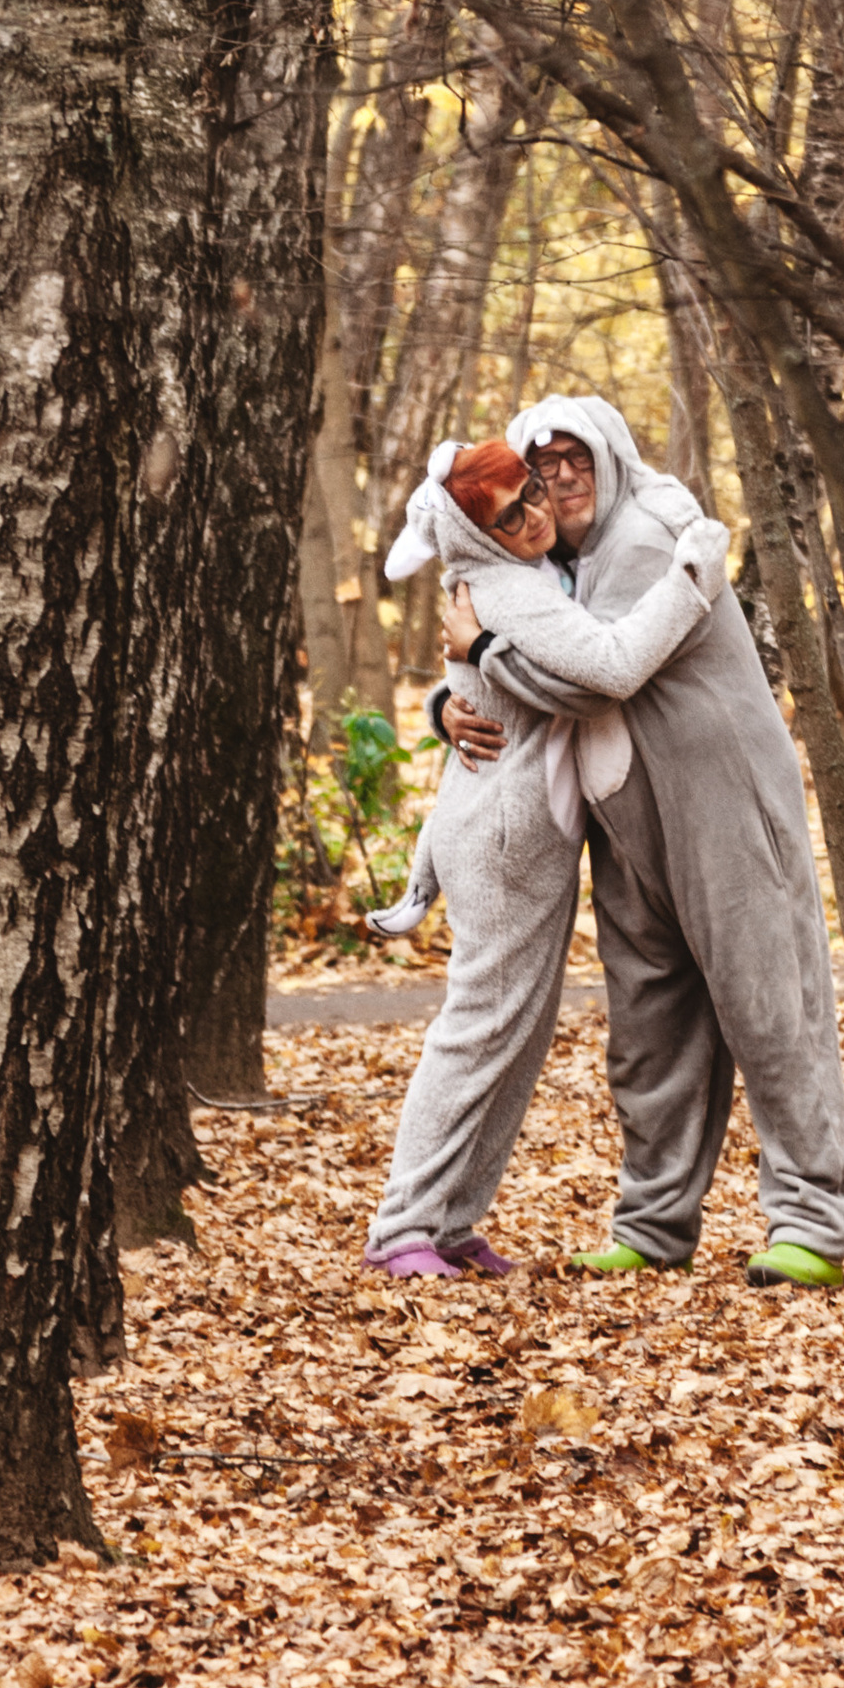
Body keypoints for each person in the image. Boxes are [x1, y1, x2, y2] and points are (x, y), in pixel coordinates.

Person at [438, 393, 844, 1289]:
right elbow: (531, 648)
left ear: (611, 455)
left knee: (768, 1007)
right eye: (541, 466)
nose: (560, 477)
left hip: (723, 808)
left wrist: (483, 652)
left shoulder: (642, 539)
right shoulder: (549, 565)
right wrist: (451, 696)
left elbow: (597, 678)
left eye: (576, 458)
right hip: (631, 826)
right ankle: (654, 1222)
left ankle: (814, 1222)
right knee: (649, 1028)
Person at [361, 438, 729, 1279]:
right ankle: (402, 1225)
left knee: (517, 1037)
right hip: (499, 842)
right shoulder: (505, 590)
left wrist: (448, 696)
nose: (533, 515)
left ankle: (451, 1220)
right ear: (475, 534)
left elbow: (502, 685)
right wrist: (691, 577)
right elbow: (611, 667)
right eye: (509, 515)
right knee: (479, 1030)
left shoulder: (520, 578)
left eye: (532, 493)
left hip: (517, 837)